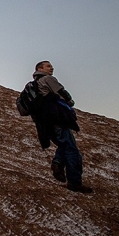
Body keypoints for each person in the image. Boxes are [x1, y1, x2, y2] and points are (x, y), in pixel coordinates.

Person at [30, 61, 93, 194]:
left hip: (45, 123)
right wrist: (70, 102)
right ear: (40, 69)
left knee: (64, 146)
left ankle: (58, 163)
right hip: (57, 119)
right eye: (48, 66)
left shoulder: (33, 85)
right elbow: (62, 92)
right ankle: (74, 182)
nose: (51, 68)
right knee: (72, 151)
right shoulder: (48, 79)